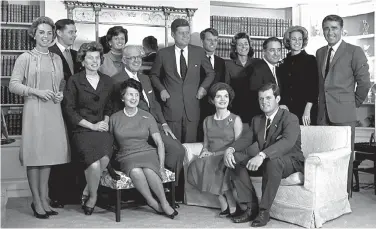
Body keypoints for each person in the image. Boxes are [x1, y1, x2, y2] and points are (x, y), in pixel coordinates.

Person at [9, 16, 69, 219]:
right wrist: (36, 92)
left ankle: (45, 198)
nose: (45, 36)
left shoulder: (57, 58)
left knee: (48, 157)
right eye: (41, 32)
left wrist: (60, 93)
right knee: (35, 156)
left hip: (53, 109)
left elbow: (61, 83)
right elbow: (13, 84)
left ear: (53, 36)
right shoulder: (25, 57)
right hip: (34, 110)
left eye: (49, 33)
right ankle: (36, 200)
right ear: (34, 34)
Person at [223, 83, 305, 227]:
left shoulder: (290, 118)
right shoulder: (257, 120)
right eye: (261, 99)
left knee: (272, 161)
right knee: (235, 159)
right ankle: (251, 207)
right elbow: (246, 139)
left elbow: (287, 142)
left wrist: (261, 155)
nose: (264, 102)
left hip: (291, 162)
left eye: (268, 98)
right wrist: (230, 149)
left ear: (277, 98)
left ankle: (264, 211)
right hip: (267, 162)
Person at [111, 45, 185, 203]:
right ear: (124, 60)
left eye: (139, 57)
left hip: (155, 124)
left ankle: (168, 190)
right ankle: (150, 192)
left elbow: (154, 104)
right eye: (132, 58)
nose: (137, 60)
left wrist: (164, 124)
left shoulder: (145, 78)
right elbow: (117, 110)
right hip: (136, 128)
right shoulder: (116, 80)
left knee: (177, 150)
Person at [316, 14, 371, 196]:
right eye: (326, 28)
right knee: (324, 155)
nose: (330, 32)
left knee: (343, 156)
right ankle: (327, 194)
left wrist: (352, 104)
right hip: (323, 113)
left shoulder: (354, 51)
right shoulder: (320, 52)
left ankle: (343, 194)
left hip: (344, 114)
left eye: (334, 28)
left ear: (341, 30)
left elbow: (364, 83)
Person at [109, 79, 178, 219]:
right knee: (135, 171)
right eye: (130, 95)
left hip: (147, 153)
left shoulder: (147, 116)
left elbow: (160, 143)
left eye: (136, 95)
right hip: (126, 155)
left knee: (149, 170)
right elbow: (109, 143)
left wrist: (161, 166)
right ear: (123, 97)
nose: (134, 98)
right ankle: (151, 201)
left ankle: (164, 203)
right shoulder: (114, 118)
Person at [63, 42, 114, 215]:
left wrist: (105, 122)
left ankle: (86, 190)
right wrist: (92, 125)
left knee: (104, 159)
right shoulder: (74, 80)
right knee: (93, 165)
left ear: (101, 60)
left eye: (97, 58)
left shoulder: (108, 81)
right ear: (83, 61)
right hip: (82, 129)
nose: (94, 61)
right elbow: (69, 110)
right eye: (90, 58)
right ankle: (93, 197)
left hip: (102, 129)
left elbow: (109, 107)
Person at [149, 18, 215, 144]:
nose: (185, 36)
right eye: (181, 33)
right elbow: (153, 75)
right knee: (174, 146)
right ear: (173, 34)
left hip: (193, 107)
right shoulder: (163, 54)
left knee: (190, 147)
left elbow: (211, 73)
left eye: (187, 32)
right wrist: (162, 90)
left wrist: (203, 88)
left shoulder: (199, 52)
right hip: (172, 108)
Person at [187, 82, 242, 217]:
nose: (223, 99)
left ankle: (227, 201)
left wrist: (216, 153)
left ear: (229, 99)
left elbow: (239, 145)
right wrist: (204, 151)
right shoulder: (207, 120)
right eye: (218, 96)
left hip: (228, 154)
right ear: (212, 100)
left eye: (225, 96)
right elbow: (206, 143)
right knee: (198, 163)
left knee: (216, 163)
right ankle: (222, 197)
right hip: (212, 154)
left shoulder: (235, 119)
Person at [48, 18, 82, 208]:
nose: (74, 35)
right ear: (59, 33)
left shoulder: (77, 55)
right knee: (57, 153)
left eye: (75, 32)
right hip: (56, 110)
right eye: (71, 32)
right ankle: (56, 195)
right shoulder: (50, 53)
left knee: (73, 152)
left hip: (74, 111)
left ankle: (72, 194)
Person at [279, 26, 319, 126]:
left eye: (300, 39)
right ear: (288, 41)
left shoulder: (310, 60)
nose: (297, 42)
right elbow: (282, 88)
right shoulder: (283, 63)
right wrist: (282, 104)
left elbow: (314, 88)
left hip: (306, 111)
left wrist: (307, 111)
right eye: (293, 39)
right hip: (287, 111)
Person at [244, 37, 283, 124]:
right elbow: (254, 99)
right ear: (264, 51)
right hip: (260, 121)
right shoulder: (256, 69)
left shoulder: (277, 70)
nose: (276, 54)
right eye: (272, 50)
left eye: (279, 50)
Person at [198, 28, 226, 141]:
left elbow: (223, 83)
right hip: (199, 105)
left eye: (215, 40)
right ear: (202, 41)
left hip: (216, 106)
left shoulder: (221, 62)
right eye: (209, 40)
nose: (213, 43)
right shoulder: (195, 59)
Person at [224, 32, 256, 125]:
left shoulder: (257, 63)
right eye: (240, 44)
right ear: (235, 48)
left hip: (254, 107)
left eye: (246, 44)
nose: (243, 47)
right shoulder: (228, 65)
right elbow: (226, 88)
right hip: (235, 107)